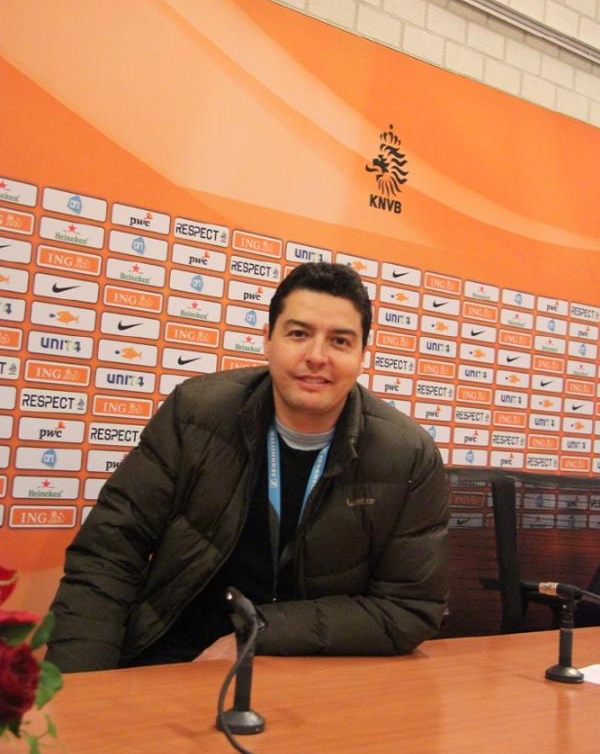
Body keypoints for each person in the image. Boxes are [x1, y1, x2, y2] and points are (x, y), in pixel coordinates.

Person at [46, 261, 449, 672]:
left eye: (340, 341)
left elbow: (409, 607)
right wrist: (76, 687)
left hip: (315, 667)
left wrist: (259, 633)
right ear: (267, 341)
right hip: (177, 659)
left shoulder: (408, 455)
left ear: (362, 355)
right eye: (298, 334)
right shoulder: (194, 415)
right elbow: (108, 553)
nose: (316, 356)